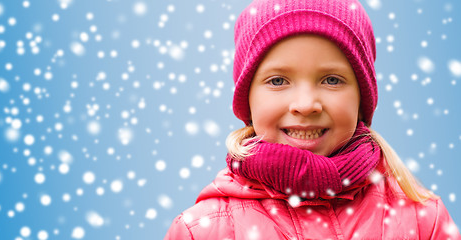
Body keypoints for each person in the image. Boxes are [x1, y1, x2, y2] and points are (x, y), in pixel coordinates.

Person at [165, 0, 461, 239]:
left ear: (362, 98)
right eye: (278, 80)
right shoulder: (203, 231)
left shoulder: (422, 221)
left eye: (332, 80)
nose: (306, 105)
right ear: (248, 100)